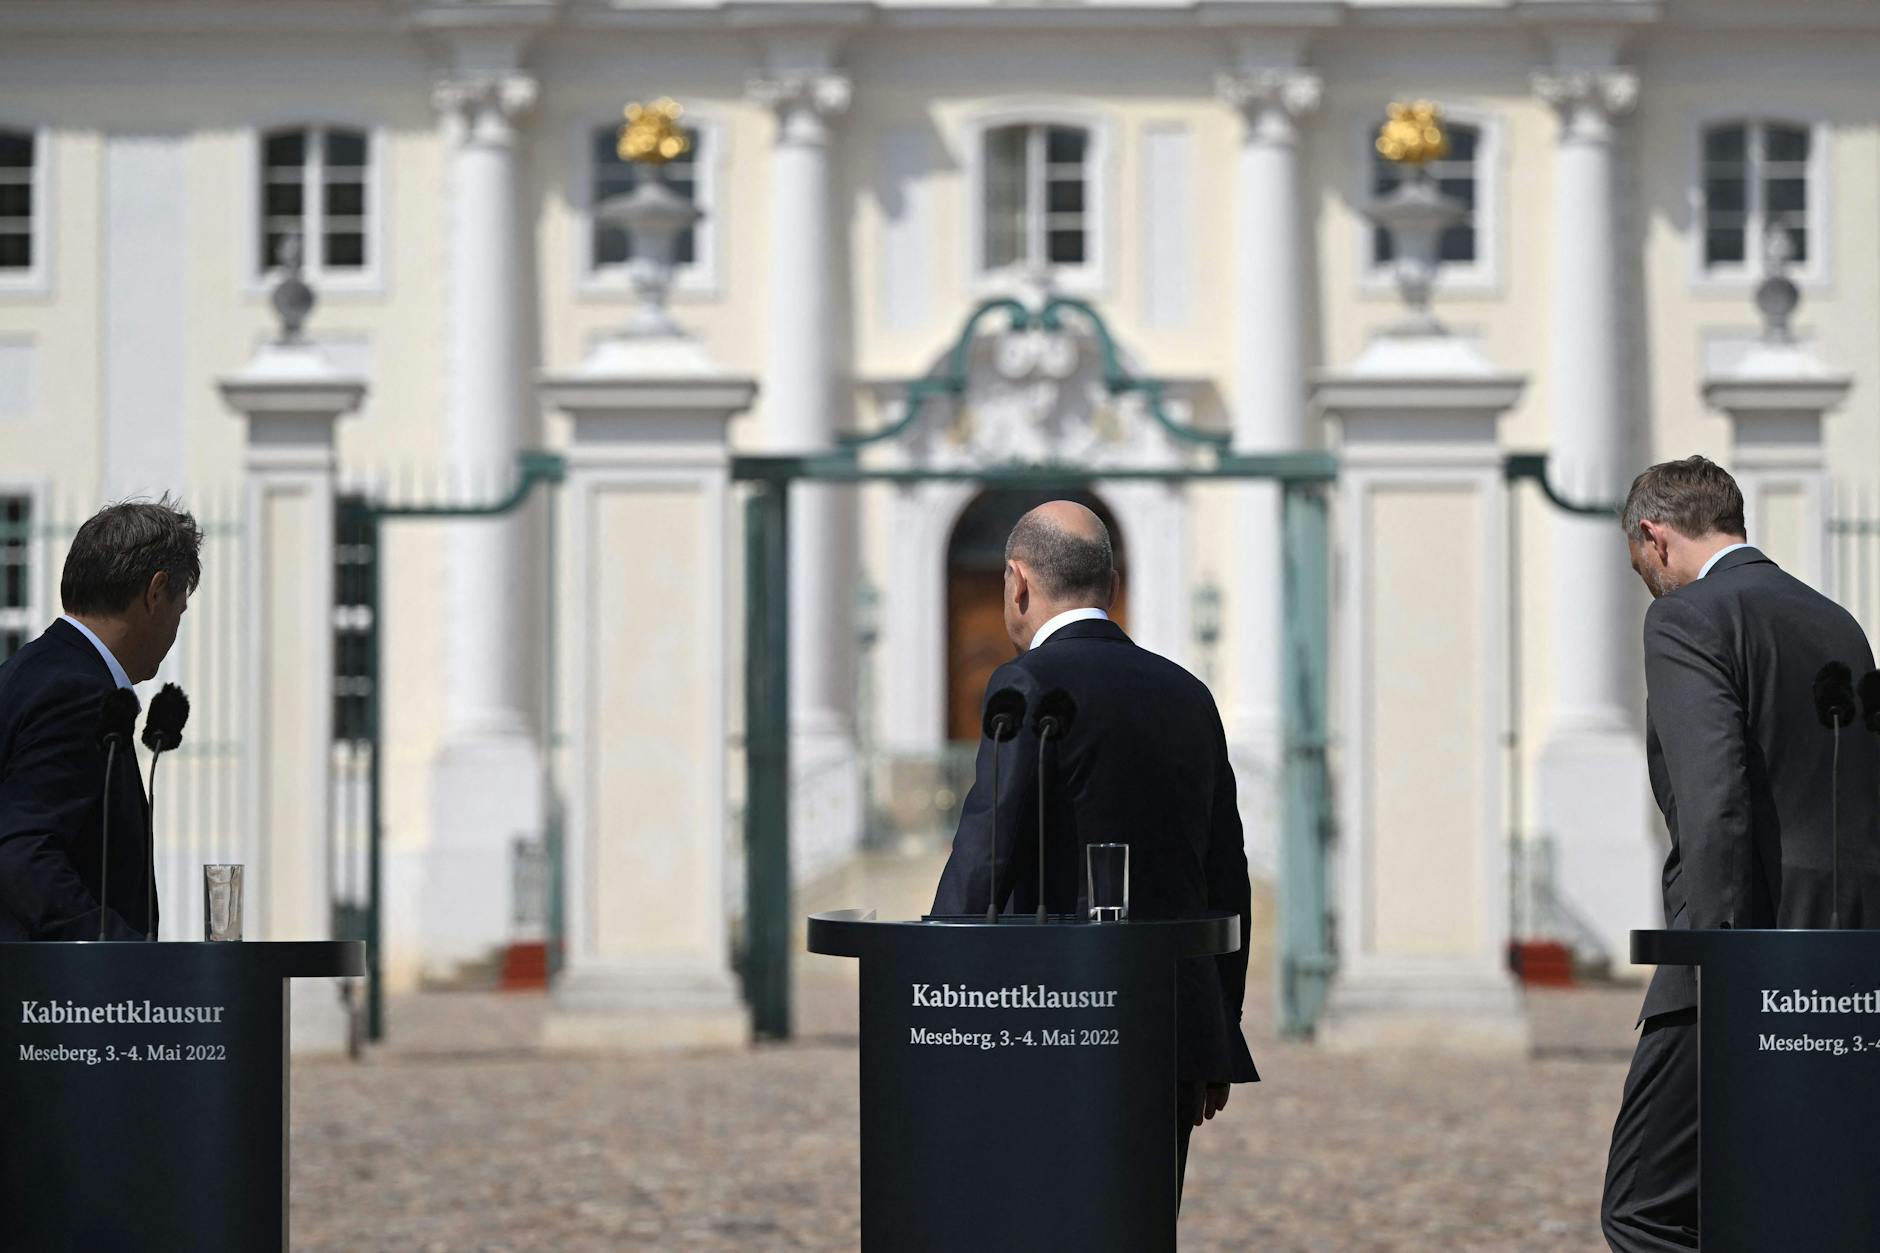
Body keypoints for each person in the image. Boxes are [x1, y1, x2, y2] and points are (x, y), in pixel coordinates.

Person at [931, 500, 1258, 1193]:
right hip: (1171, 1021)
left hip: (1046, 1017)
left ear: (1018, 583)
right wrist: (1217, 1032)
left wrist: (931, 984)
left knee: (1039, 1216)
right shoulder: (1190, 694)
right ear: (1110, 585)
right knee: (1141, 1220)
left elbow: (987, 852)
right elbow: (1226, 873)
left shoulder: (1026, 683)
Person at [1602, 457, 1880, 1251]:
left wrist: (1723, 973)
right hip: (1850, 964)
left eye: (1638, 565)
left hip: (1742, 962)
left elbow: (1714, 803)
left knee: (1643, 1207)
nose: (1646, 583)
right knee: (1799, 1207)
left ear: (1655, 537)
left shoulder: (1687, 617)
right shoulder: (1838, 622)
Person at [0, 497, 201, 941]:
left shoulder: (25, 670)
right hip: (56, 984)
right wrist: (122, 954)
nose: (174, 630)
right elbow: (24, 852)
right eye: (179, 610)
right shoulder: (78, 693)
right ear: (155, 593)